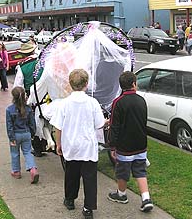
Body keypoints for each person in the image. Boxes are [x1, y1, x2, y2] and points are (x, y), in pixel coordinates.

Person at [50, 69, 105, 219]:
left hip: (71, 145)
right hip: (87, 146)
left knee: (71, 174)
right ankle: (88, 208)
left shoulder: (64, 104)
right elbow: (99, 124)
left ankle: (70, 199)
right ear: (86, 84)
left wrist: (58, 143)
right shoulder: (93, 103)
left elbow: (58, 127)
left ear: (70, 84)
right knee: (90, 178)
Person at [107, 71, 153, 213]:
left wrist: (112, 145)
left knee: (122, 171)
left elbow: (114, 125)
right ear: (134, 84)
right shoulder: (141, 100)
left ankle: (121, 194)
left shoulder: (118, 102)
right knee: (140, 171)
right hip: (140, 144)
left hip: (125, 146)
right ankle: (146, 198)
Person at [6, 86, 39, 183]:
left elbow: (9, 126)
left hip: (15, 135)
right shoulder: (28, 109)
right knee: (27, 152)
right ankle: (33, 169)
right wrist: (32, 133)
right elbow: (32, 123)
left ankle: (16, 171)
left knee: (15, 153)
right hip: (26, 133)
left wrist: (11, 138)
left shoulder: (9, 110)